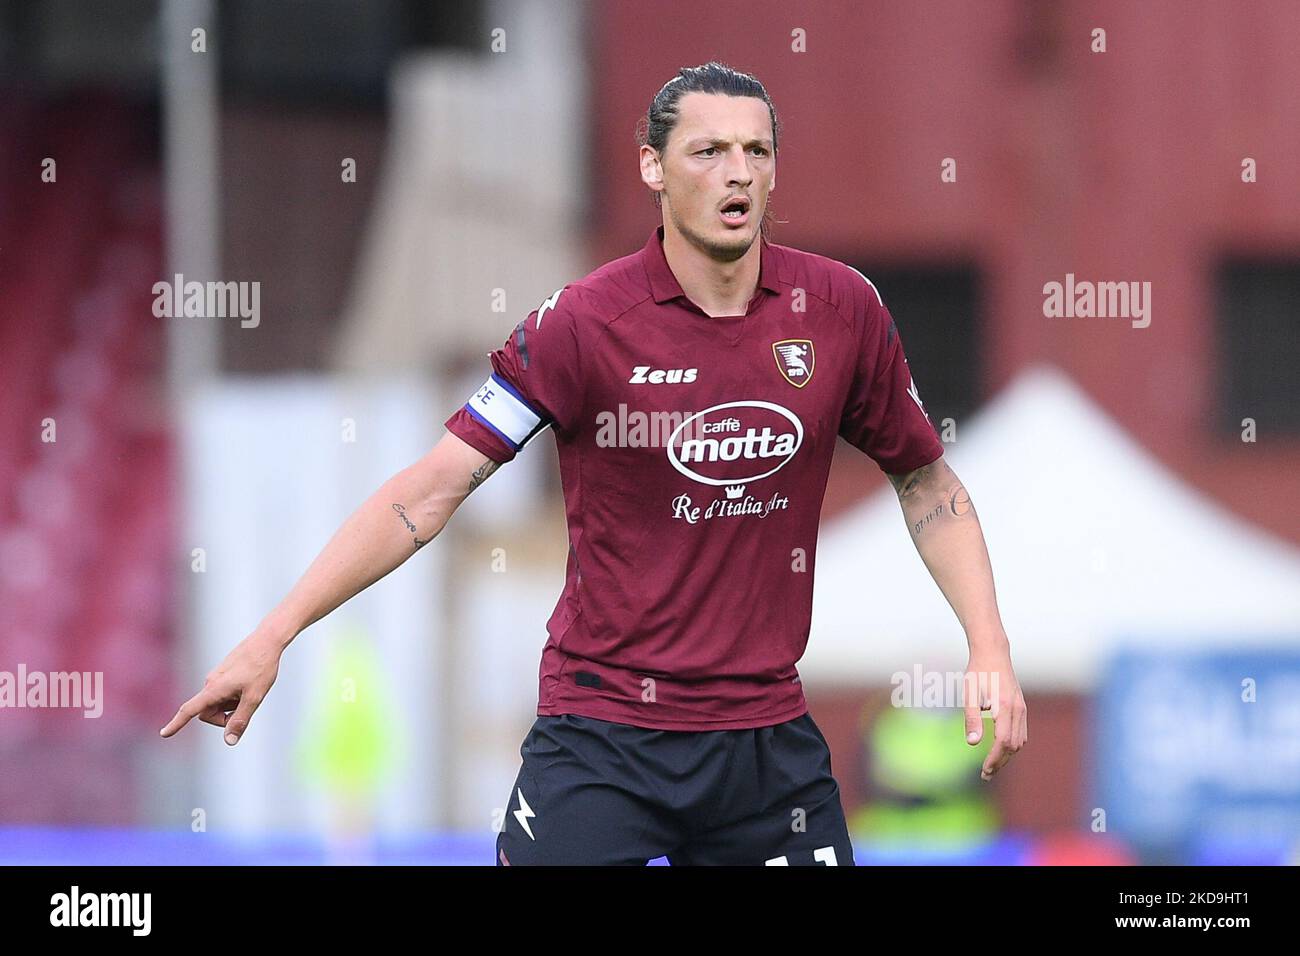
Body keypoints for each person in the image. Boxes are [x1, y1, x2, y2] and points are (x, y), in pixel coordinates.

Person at [161, 61, 1027, 866]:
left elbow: (928, 485)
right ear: (652, 167)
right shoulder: (580, 325)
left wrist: (986, 644)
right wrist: (274, 634)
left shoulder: (839, 310)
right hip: (604, 733)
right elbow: (428, 492)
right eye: (709, 150)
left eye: (757, 151)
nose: (738, 172)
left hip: (763, 744)